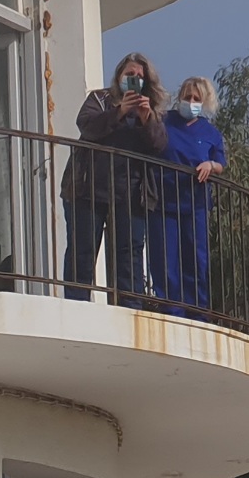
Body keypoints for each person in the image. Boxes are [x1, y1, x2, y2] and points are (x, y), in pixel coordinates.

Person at [60, 54, 170, 304]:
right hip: (88, 188)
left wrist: (146, 119)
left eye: (140, 77)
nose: (134, 79)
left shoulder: (151, 111)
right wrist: (119, 111)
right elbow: (87, 126)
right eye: (130, 74)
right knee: (82, 249)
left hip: (131, 193)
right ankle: (76, 303)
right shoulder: (99, 100)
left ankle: (129, 305)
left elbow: (159, 145)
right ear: (119, 75)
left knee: (129, 252)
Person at [150, 78, 226, 311]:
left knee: (196, 259)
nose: (191, 102)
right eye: (187, 97)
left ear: (203, 102)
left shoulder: (210, 132)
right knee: (165, 259)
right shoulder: (164, 121)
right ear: (180, 96)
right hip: (164, 202)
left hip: (195, 204)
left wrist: (210, 165)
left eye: (196, 99)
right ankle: (171, 310)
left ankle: (197, 312)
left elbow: (220, 163)